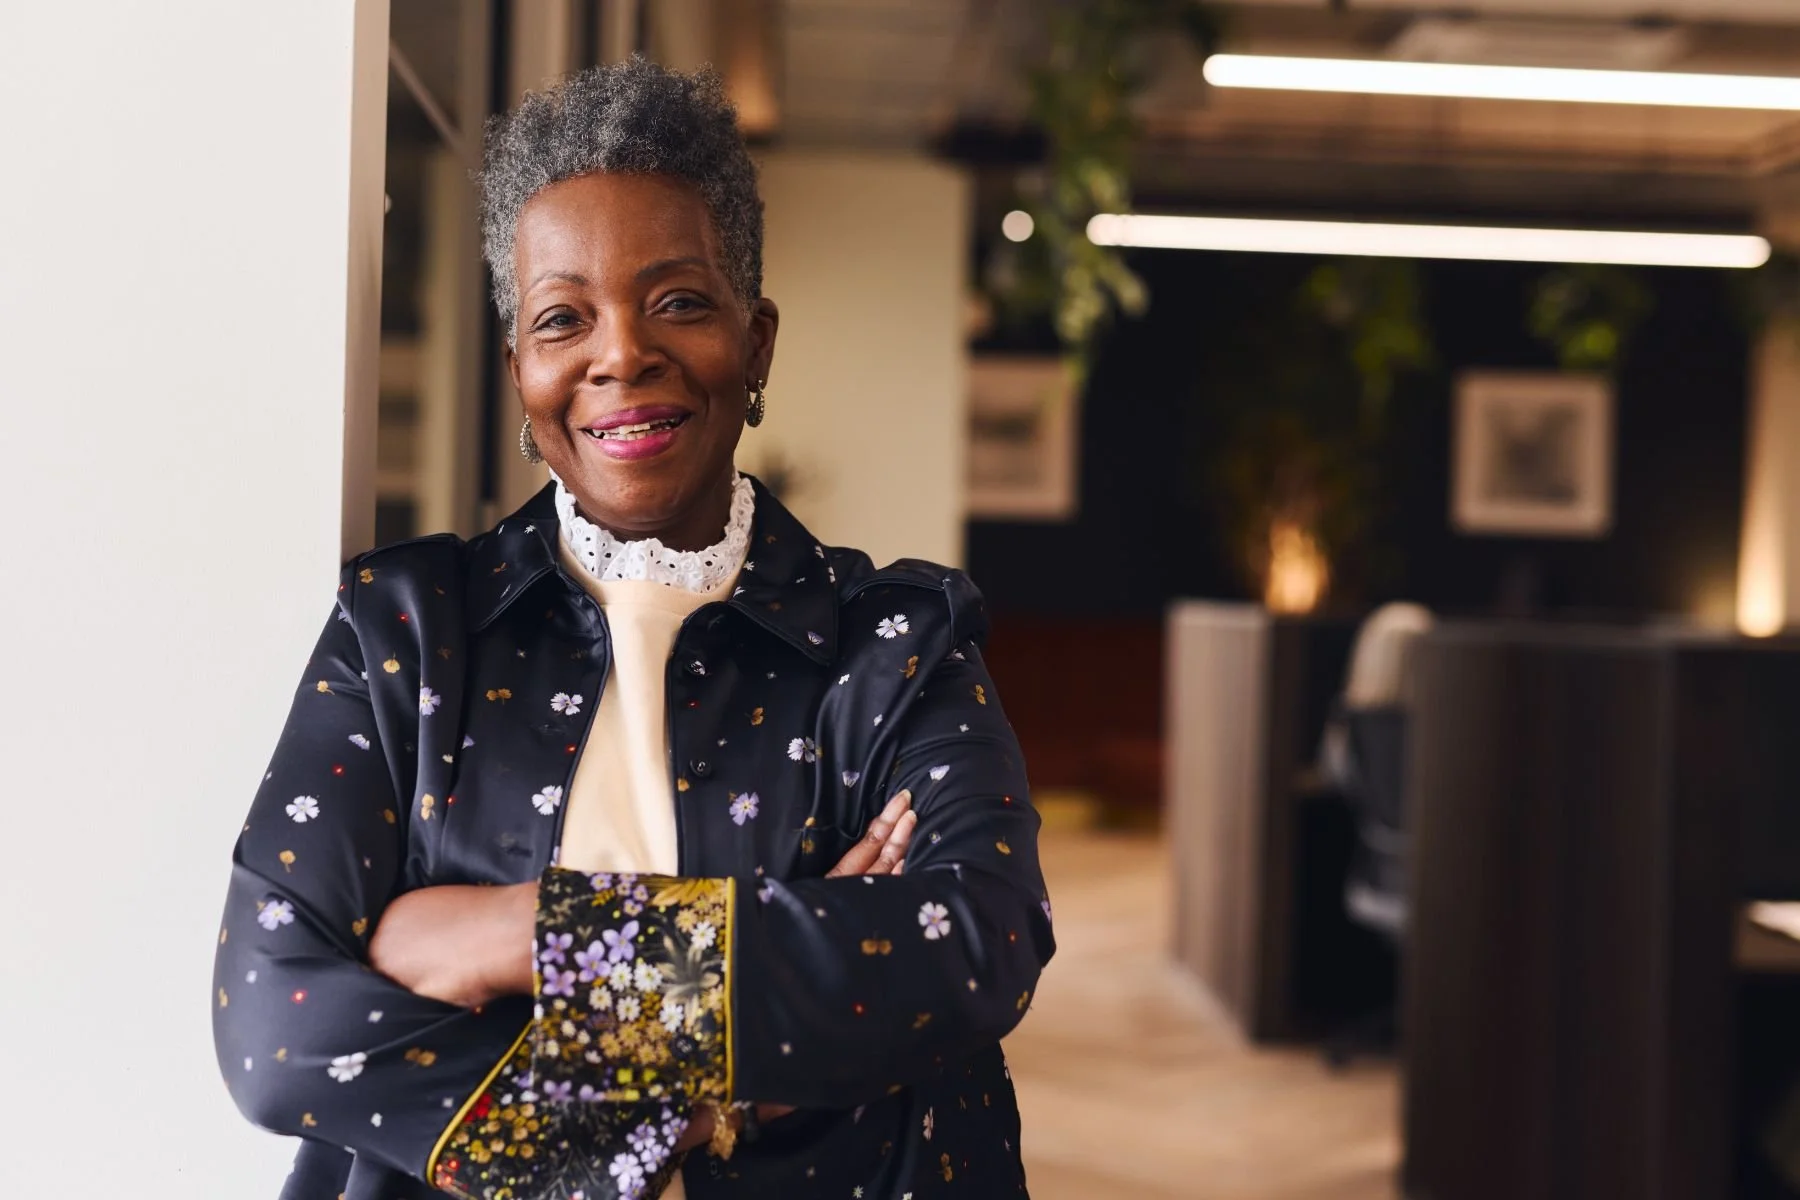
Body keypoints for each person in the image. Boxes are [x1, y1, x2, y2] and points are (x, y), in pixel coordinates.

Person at [212, 58, 1053, 1200]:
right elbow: (276, 1027)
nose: (621, 355)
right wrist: (702, 1098)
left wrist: (520, 940)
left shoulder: (894, 644)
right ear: (520, 375)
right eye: (565, 319)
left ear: (755, 345)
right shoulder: (405, 632)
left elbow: (974, 943)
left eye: (679, 302)